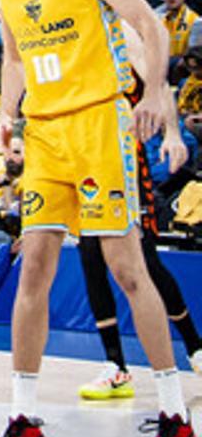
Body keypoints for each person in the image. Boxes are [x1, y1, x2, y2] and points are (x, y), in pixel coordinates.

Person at [0, 0, 194, 437]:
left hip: (100, 124)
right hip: (44, 133)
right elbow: (14, 57)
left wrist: (154, 93)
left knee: (128, 269)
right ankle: (23, 418)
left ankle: (174, 412)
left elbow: (149, 24)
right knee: (34, 269)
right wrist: (7, 113)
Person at [76, 22, 202, 399]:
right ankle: (115, 365)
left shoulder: (117, 28)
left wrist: (173, 134)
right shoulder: (67, 30)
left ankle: (195, 347)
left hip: (123, 158)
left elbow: (158, 85)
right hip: (82, 156)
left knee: (143, 260)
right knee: (89, 255)